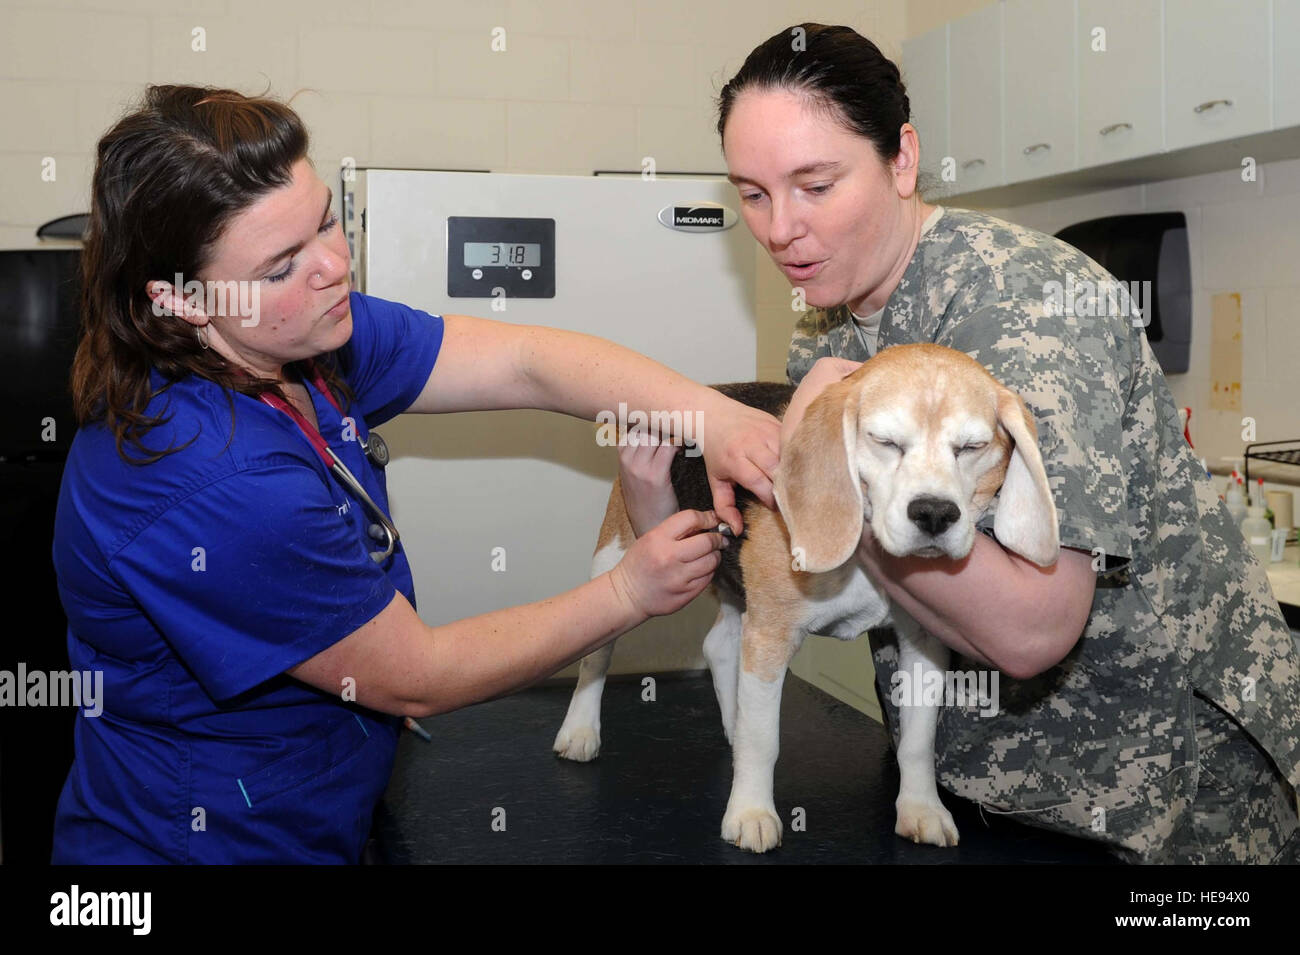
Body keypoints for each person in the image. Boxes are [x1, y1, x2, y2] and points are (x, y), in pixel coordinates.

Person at [49, 84, 782, 864]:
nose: (335, 264)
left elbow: (524, 362)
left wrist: (711, 415)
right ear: (180, 300)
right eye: (281, 265)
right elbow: (416, 674)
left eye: (325, 218)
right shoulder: (208, 477)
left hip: (321, 816)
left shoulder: (299, 338)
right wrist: (627, 592)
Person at [633, 22, 1300, 864]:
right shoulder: (828, 313)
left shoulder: (1031, 307)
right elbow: (849, 549)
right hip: (974, 788)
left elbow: (1031, 631)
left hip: (1166, 803)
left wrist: (832, 475)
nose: (779, 229)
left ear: (902, 160)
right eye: (754, 194)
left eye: (815, 183)